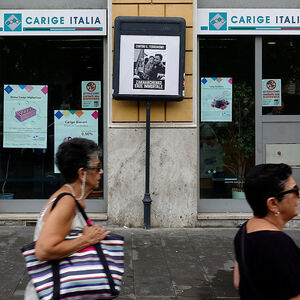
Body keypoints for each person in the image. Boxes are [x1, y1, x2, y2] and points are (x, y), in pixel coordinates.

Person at [24, 138, 110, 300]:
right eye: (97, 168)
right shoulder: (67, 202)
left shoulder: (70, 198)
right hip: (54, 291)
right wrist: (86, 239)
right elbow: (43, 250)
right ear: (81, 173)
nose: (101, 172)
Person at [233, 163, 300, 299]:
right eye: (294, 190)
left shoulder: (244, 230)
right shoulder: (279, 244)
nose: (298, 195)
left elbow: (238, 282)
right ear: (273, 204)